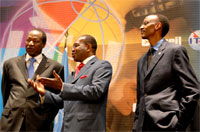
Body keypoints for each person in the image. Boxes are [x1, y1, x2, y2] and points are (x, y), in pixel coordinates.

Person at [29, 34, 113, 131]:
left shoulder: (102, 66)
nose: (72, 49)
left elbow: (96, 91)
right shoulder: (74, 73)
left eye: (76, 45)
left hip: (87, 128)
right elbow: (62, 100)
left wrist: (63, 87)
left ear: (88, 47)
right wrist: (44, 93)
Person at [132, 14, 200, 131]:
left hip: (167, 124)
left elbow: (192, 90)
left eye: (146, 23)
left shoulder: (174, 51)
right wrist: (137, 124)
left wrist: (178, 123)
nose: (141, 27)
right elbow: (141, 96)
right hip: (142, 126)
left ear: (158, 26)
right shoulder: (141, 60)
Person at [0, 28, 64, 131]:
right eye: (28, 40)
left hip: (39, 123)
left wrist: (46, 117)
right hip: (11, 122)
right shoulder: (10, 64)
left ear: (43, 44)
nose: (30, 43)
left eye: (35, 41)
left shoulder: (55, 67)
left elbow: (57, 99)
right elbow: (6, 92)